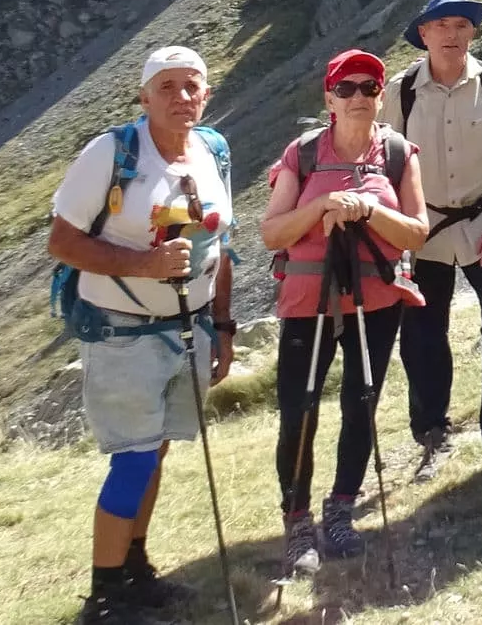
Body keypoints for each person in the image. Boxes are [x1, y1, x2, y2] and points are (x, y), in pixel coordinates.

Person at [46, 47, 237, 622]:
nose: (182, 97)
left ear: (205, 93)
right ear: (144, 96)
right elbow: (61, 242)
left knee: (154, 452)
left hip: (190, 325)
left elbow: (220, 247)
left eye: (192, 86)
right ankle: (104, 596)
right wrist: (145, 267)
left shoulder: (213, 150)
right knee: (133, 460)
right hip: (122, 332)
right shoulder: (112, 152)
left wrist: (223, 326)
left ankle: (134, 569)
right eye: (168, 87)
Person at [263, 49, 430, 566]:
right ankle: (297, 521)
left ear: (381, 96)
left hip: (374, 300)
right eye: (347, 88)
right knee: (298, 411)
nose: (359, 96)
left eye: (370, 87)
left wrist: (371, 209)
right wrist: (321, 206)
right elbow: (272, 231)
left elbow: (418, 232)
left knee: (361, 403)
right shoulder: (303, 154)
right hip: (307, 301)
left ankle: (340, 509)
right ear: (329, 97)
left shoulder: (400, 154)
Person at [387, 0, 482, 482]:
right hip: (422, 230)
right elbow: (384, 165)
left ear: (472, 34)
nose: (452, 33)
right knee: (424, 335)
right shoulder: (401, 90)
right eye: (440, 25)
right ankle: (431, 434)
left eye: (461, 25)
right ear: (423, 34)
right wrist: (396, 231)